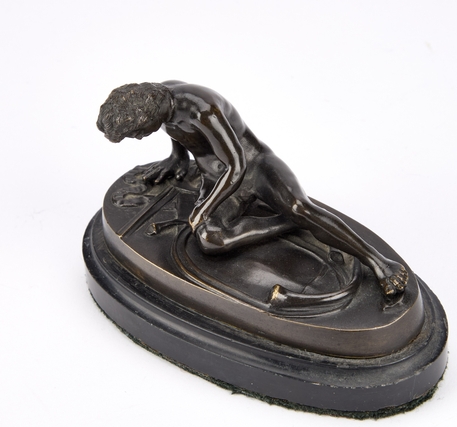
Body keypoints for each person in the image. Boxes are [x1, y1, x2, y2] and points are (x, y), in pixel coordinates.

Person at [97, 80, 408, 296]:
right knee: (211, 240)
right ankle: (286, 222)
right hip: (217, 178)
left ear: (147, 115)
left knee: (301, 207)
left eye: (136, 134)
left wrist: (204, 209)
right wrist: (176, 158)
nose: (138, 138)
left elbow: (237, 165)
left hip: (255, 167)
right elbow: (176, 132)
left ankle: (379, 262)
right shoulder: (161, 101)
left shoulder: (202, 108)